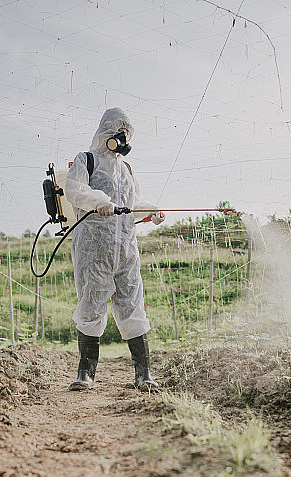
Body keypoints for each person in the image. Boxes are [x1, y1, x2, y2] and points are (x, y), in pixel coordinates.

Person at [64, 107, 165, 392]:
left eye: (126, 134)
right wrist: (99, 201)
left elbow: (130, 206)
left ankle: (143, 374)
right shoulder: (87, 160)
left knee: (133, 305)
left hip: (126, 249)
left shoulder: (126, 169)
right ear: (106, 131)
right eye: (119, 132)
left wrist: (151, 211)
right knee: (91, 305)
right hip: (94, 249)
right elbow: (74, 190)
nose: (122, 139)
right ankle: (86, 373)